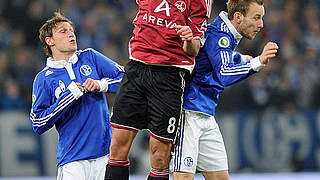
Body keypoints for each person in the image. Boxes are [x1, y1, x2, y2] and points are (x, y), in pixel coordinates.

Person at [105, 0, 213, 180]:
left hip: (169, 76)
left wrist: (188, 39)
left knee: (160, 156)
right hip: (136, 69)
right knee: (117, 146)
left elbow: (194, 49)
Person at [170, 0, 279, 180]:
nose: (261, 24)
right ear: (238, 17)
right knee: (183, 177)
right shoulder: (221, 34)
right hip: (188, 112)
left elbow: (213, 56)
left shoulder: (225, 33)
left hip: (205, 113)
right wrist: (258, 62)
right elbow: (224, 73)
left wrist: (238, 57)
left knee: (220, 177)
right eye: (257, 18)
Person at [29, 11, 124, 180]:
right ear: (49, 41)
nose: (71, 34)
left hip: (105, 155)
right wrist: (68, 97)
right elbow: (37, 122)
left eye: (71, 30)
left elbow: (127, 79)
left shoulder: (90, 57)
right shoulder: (43, 79)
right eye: (63, 31)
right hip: (73, 161)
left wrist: (101, 85)